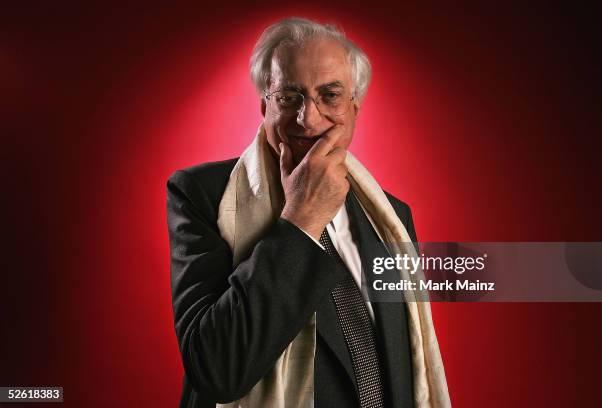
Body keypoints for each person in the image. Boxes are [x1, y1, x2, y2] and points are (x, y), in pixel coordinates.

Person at [166, 17, 449, 408]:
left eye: (329, 96)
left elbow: (401, 369)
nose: (308, 119)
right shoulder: (203, 195)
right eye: (289, 97)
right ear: (264, 102)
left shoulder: (393, 218)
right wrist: (300, 220)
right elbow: (217, 371)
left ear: (355, 105)